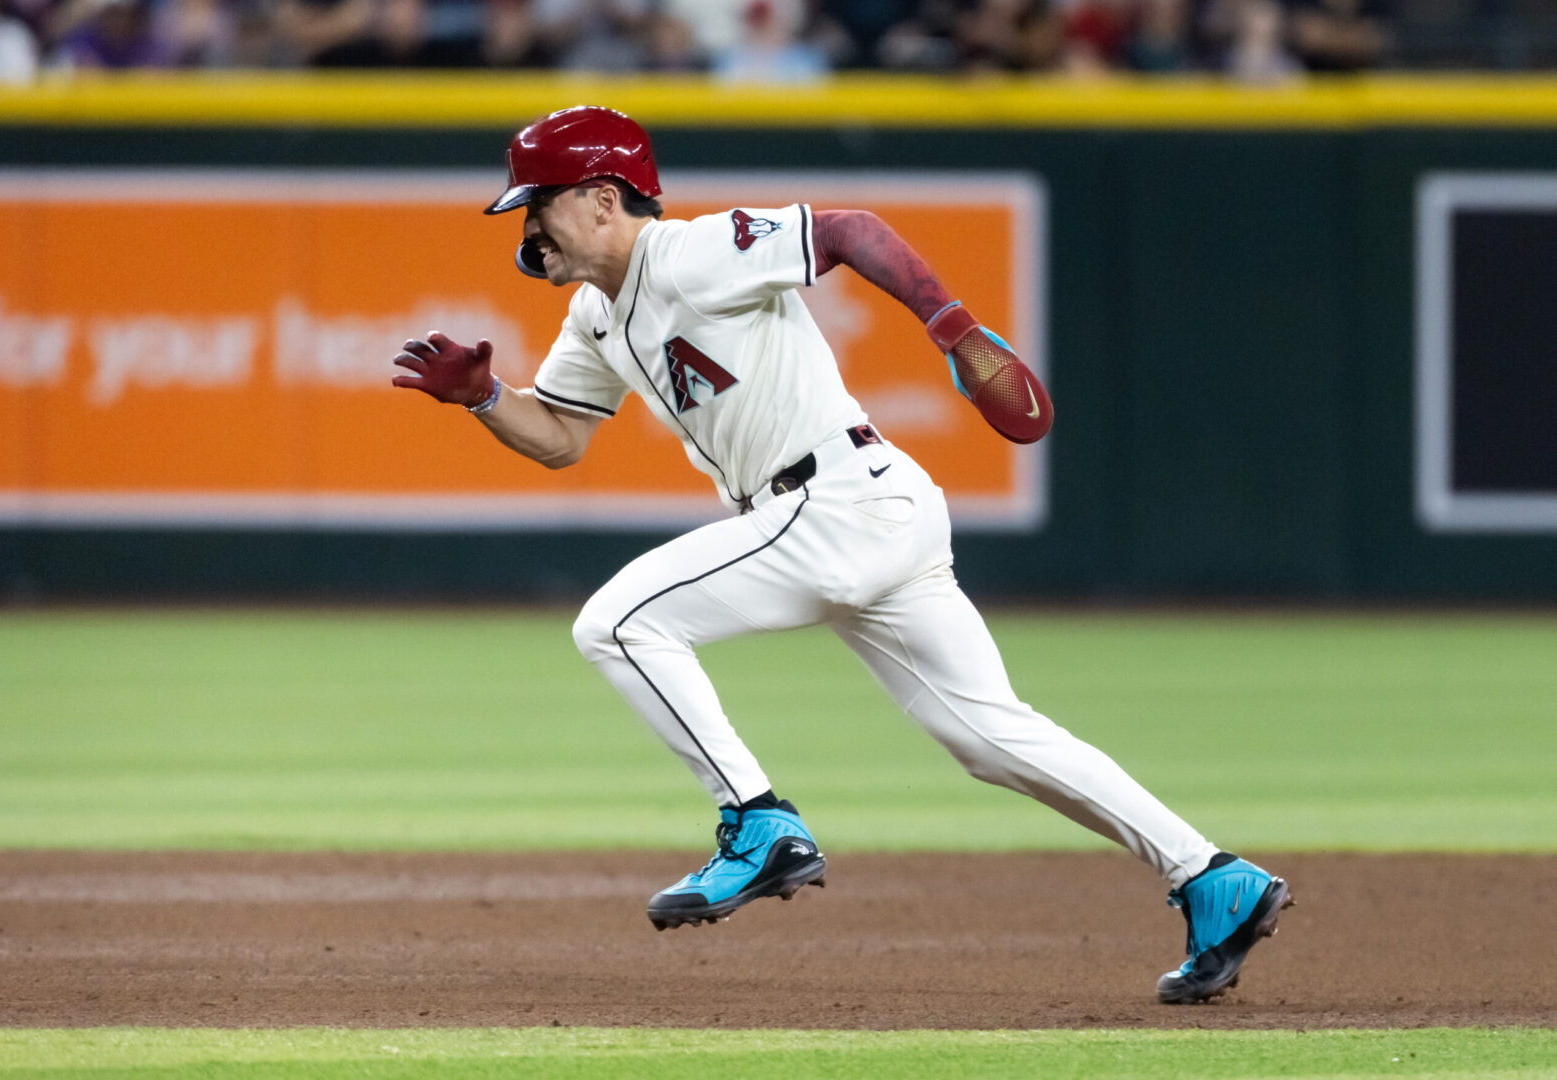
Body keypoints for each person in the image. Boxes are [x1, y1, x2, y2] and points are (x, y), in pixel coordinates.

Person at [391, 105, 1293, 1005]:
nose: (526, 227)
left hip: (833, 502)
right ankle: (1211, 876)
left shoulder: (692, 252)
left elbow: (854, 232)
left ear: (596, 199)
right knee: (991, 738)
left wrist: (949, 324)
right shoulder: (596, 315)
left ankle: (757, 824)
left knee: (617, 623)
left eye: (535, 204)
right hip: (863, 510)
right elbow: (558, 437)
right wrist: (481, 396)